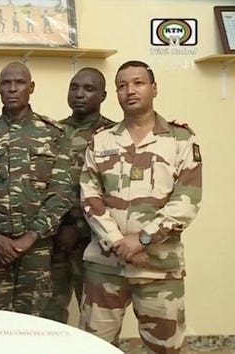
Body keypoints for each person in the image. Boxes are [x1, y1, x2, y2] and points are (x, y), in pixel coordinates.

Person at [79, 61, 202, 353]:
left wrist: (143, 238)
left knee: (165, 349)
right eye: (122, 86)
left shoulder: (180, 139)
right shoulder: (101, 139)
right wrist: (118, 242)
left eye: (138, 83)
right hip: (106, 265)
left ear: (153, 88)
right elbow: (89, 195)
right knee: (92, 348)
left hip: (159, 266)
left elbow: (187, 200)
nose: (129, 91)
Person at [0, 62, 73, 318]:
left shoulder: (54, 134)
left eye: (20, 83)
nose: (13, 89)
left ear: (31, 87)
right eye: (6, 83)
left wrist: (30, 237)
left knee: (34, 321)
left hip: (37, 249)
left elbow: (61, 193)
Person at [45, 68, 116, 324]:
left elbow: (114, 191)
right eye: (74, 87)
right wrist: (61, 226)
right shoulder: (53, 132)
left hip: (94, 241)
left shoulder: (113, 136)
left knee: (96, 317)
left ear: (103, 95)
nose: (79, 94)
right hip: (53, 240)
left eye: (88, 89)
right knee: (49, 315)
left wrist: (77, 227)